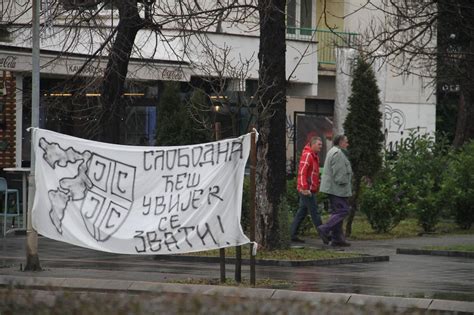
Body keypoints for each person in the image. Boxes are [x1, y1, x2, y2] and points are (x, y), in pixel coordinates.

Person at [317, 134, 353, 247]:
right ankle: (325, 228)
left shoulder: (333, 151)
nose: (347, 144)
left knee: (337, 211)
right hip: (337, 189)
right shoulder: (338, 154)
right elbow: (340, 174)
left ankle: (337, 238)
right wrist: (346, 183)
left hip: (333, 188)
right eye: (346, 141)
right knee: (343, 211)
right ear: (341, 142)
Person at [290, 136, 323, 243]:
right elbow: (302, 172)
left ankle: (292, 234)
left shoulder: (313, 156)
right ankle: (325, 236)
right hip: (307, 190)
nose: (320, 147)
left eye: (321, 145)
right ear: (312, 144)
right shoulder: (308, 155)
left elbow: (311, 173)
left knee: (302, 212)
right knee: (315, 213)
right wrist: (304, 188)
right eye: (319, 144)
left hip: (309, 189)